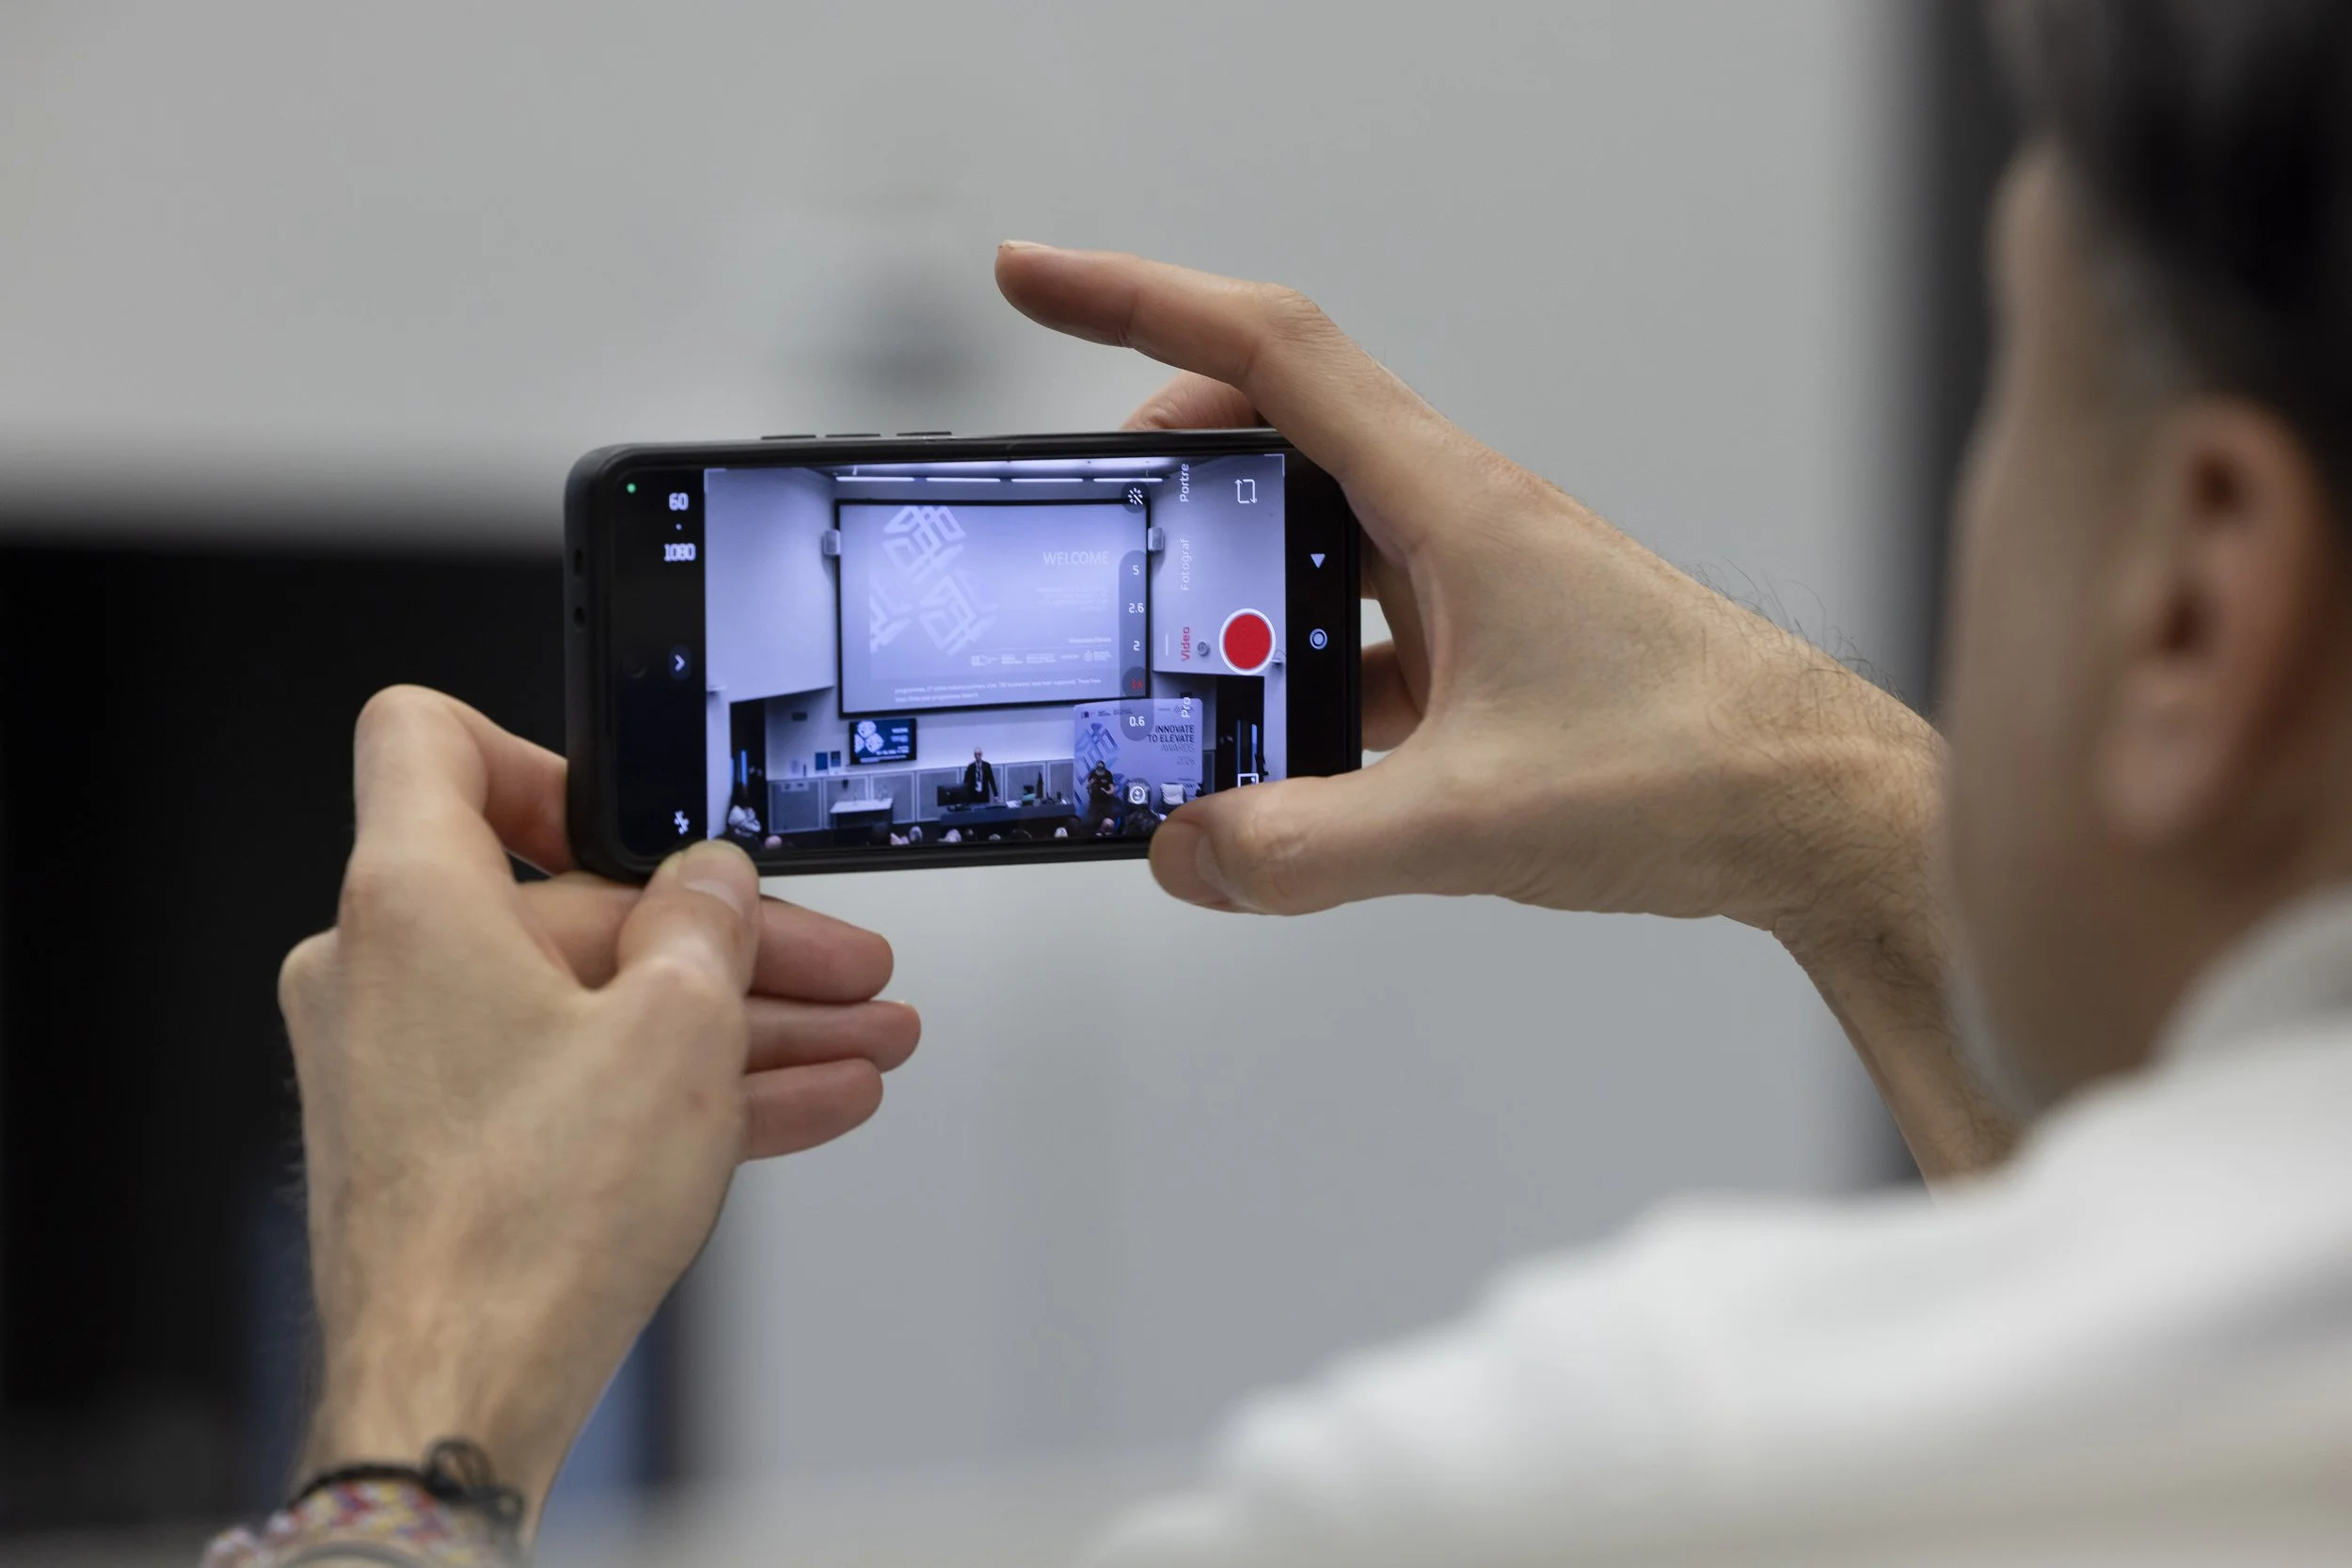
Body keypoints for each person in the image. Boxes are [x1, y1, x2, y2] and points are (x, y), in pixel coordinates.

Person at [207, 4, 2352, 1561]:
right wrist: (1829, 806)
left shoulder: (1625, 1477)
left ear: (2192, 593)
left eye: (2019, 390)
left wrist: (423, 1393)